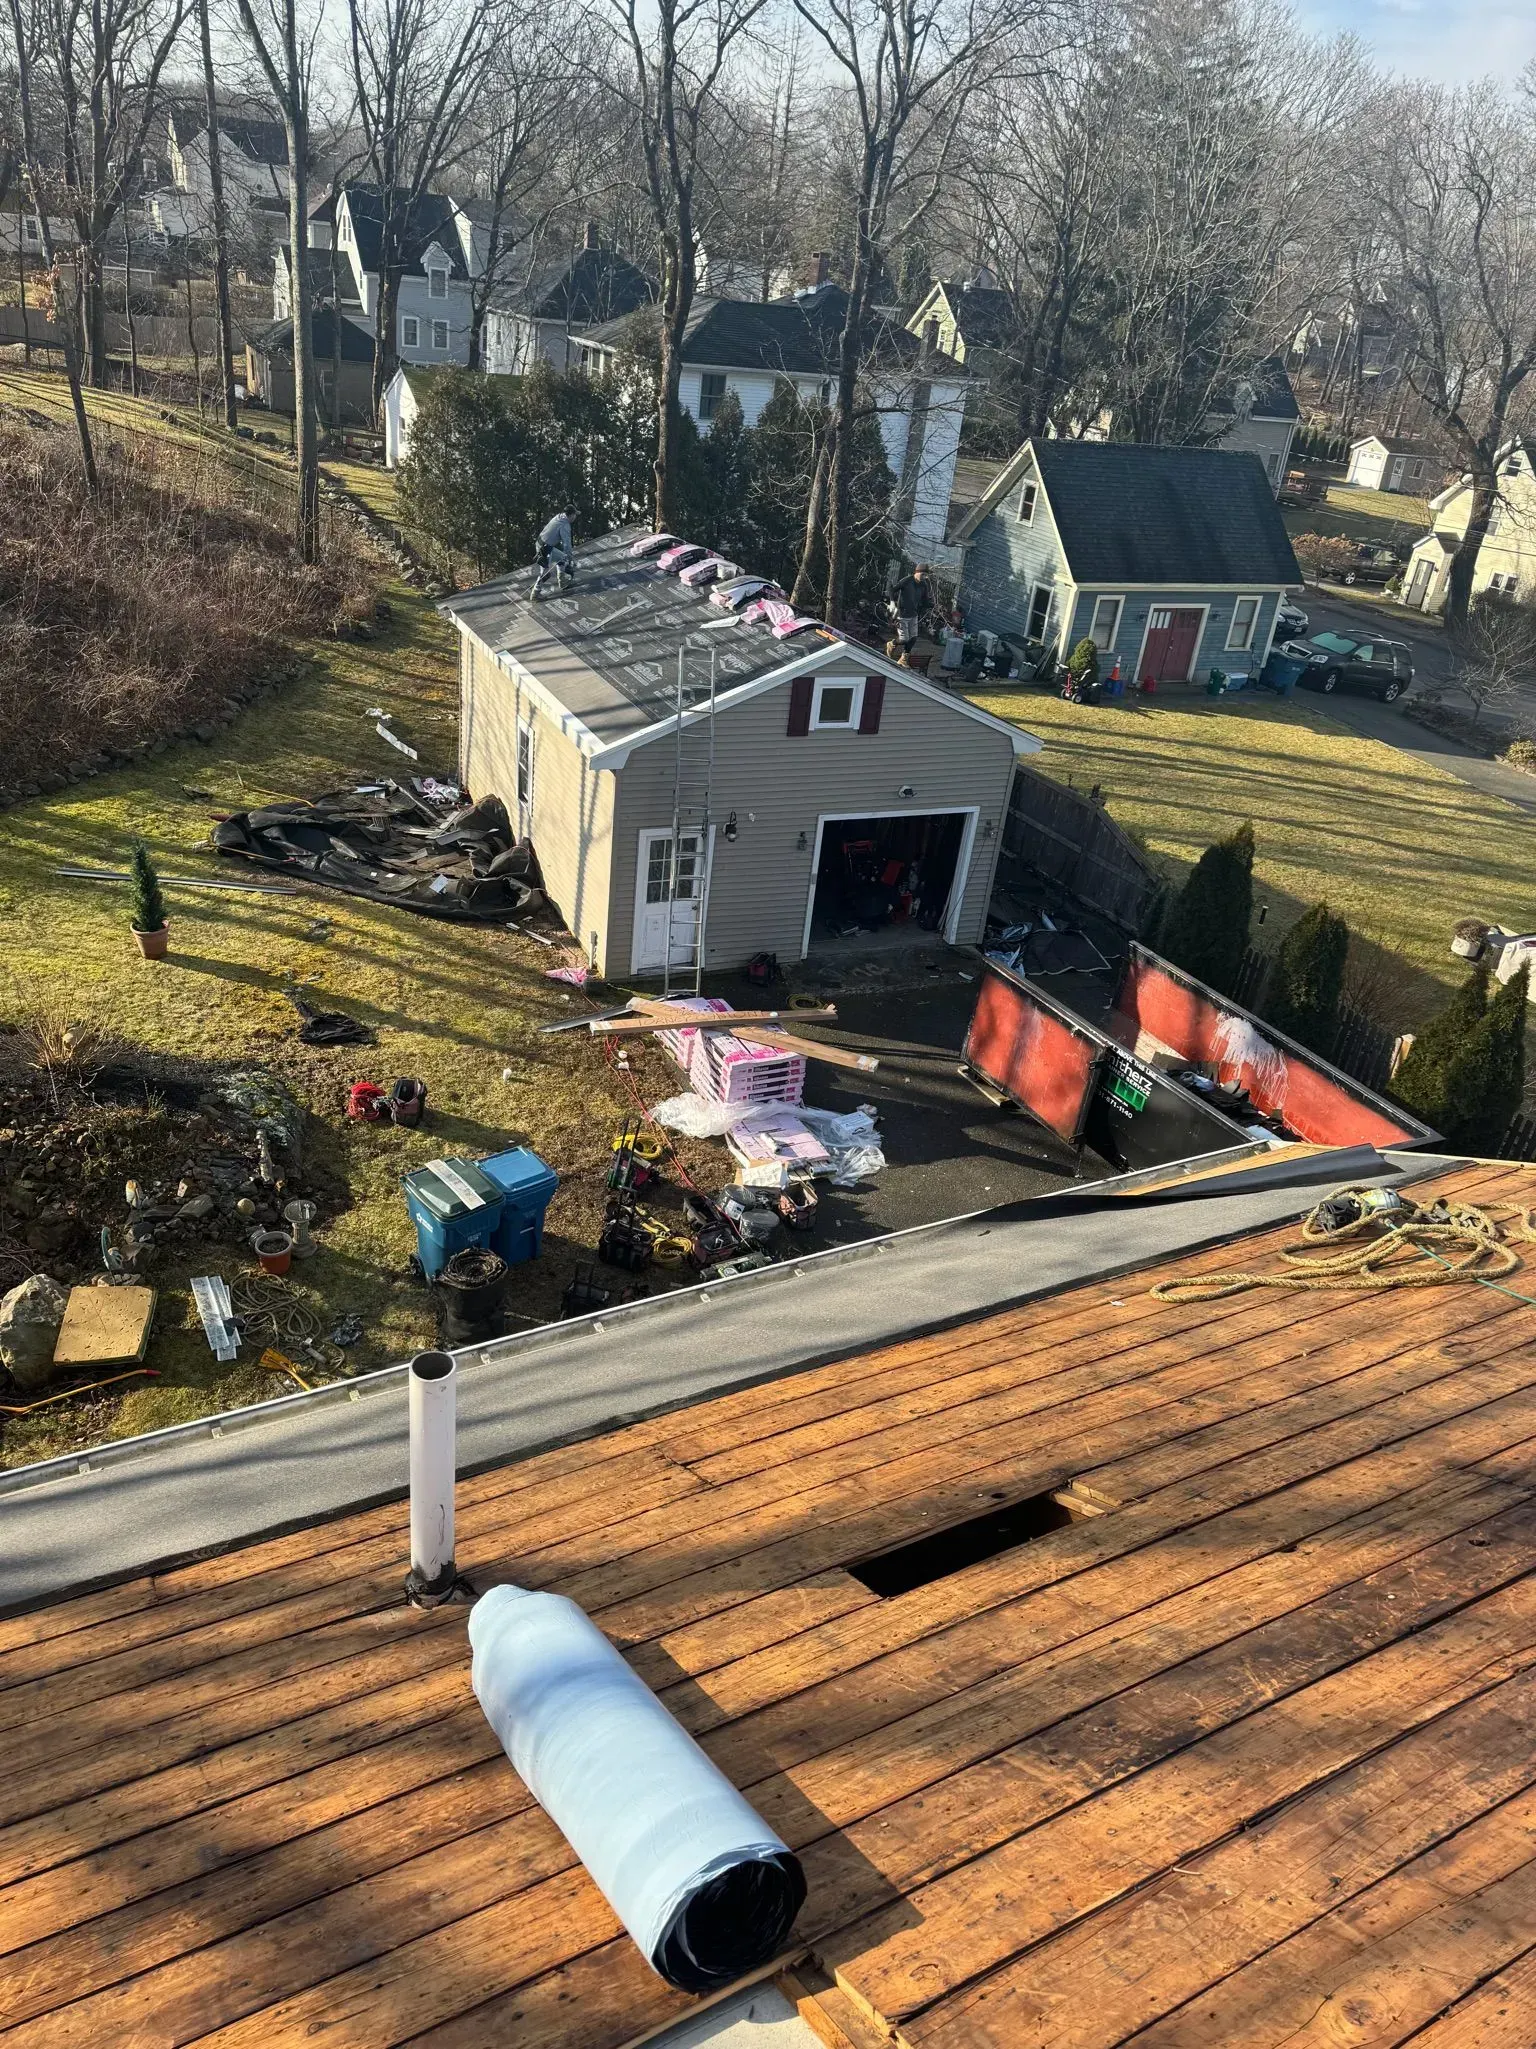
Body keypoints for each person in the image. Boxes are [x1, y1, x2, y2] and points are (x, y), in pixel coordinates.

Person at [533, 507, 577, 596]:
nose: (575, 517)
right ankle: (535, 593)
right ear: (571, 515)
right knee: (546, 573)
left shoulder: (559, 517)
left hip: (541, 543)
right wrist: (570, 557)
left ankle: (562, 581)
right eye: (575, 514)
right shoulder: (565, 525)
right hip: (545, 549)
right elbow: (567, 544)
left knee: (561, 558)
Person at [892, 563, 929, 663]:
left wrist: (932, 605)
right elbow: (892, 590)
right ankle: (892, 644)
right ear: (916, 572)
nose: (924, 577)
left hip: (914, 614)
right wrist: (892, 603)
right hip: (902, 614)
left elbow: (925, 601)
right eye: (922, 574)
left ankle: (903, 659)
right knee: (904, 639)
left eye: (925, 575)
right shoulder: (907, 581)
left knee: (913, 638)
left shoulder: (923, 585)